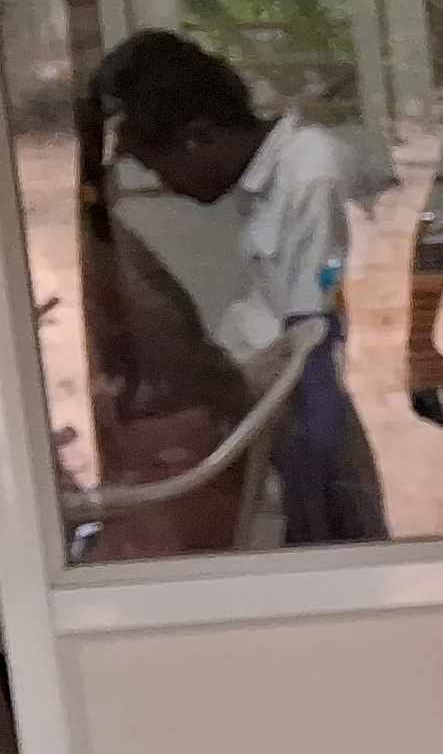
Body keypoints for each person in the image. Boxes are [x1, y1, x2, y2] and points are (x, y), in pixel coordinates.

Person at [89, 32, 387, 549]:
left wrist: (314, 519)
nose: (164, 182)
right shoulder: (276, 181)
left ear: (198, 136)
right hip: (270, 398)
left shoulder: (313, 177)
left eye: (156, 165)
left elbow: (320, 355)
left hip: (322, 416)